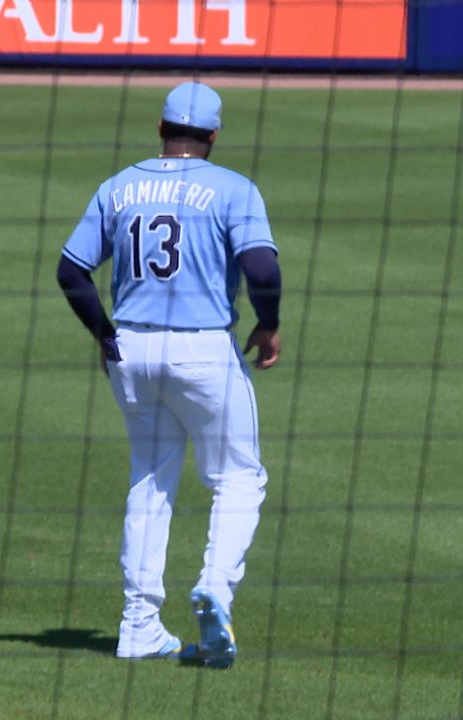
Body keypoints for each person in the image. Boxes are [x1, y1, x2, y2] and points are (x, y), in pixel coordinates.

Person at [56, 81, 282, 667]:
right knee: (238, 478)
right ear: (211, 136)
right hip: (203, 352)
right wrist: (269, 323)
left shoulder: (118, 186)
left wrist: (105, 334)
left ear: (160, 130)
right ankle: (214, 587)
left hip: (132, 352)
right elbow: (261, 266)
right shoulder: (234, 188)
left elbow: (71, 271)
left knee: (150, 481)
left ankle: (139, 627)